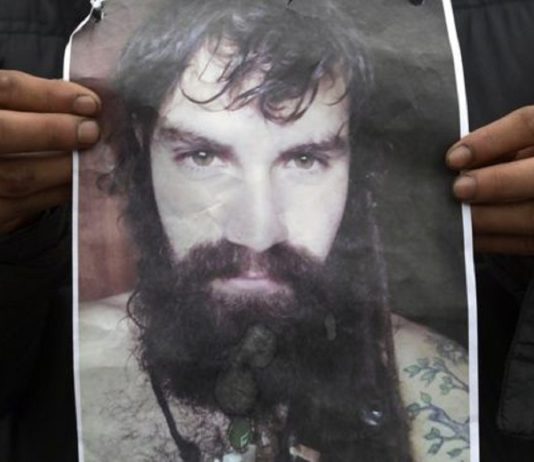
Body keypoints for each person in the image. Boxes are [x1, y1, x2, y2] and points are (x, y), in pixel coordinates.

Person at [0, 0, 533, 462]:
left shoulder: (436, 378)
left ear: (357, 168)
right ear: (144, 147)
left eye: (304, 160)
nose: (256, 233)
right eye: (202, 156)